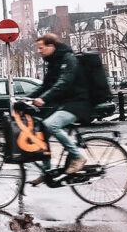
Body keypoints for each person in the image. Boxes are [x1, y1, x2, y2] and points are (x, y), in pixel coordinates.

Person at [27, 33, 90, 186]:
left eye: (41, 48)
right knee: (42, 131)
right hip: (64, 103)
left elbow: (64, 82)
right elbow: (46, 86)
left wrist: (44, 99)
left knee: (51, 124)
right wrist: (26, 99)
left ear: (51, 46)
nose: (39, 51)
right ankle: (47, 172)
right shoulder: (53, 62)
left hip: (78, 102)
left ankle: (77, 157)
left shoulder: (68, 59)